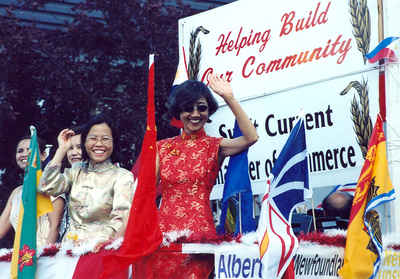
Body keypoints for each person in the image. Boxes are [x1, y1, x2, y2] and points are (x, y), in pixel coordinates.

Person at [144, 74, 258, 279]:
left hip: (201, 237)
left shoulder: (216, 146)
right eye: (188, 108)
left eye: (202, 108)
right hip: (164, 237)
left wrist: (229, 98)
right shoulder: (162, 148)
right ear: (179, 111)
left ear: (209, 111)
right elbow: (146, 194)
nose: (195, 114)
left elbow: (251, 137)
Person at [38, 114, 135, 247]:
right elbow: (46, 186)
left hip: (100, 250)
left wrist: (101, 243)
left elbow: (121, 218)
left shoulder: (122, 176)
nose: (99, 144)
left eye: (105, 139)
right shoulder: (75, 171)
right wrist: (61, 150)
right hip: (68, 250)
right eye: (93, 139)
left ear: (114, 143)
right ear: (85, 143)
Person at [0, 135, 65, 247]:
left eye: (30, 149)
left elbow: (55, 227)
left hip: (47, 257)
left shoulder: (51, 187)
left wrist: (44, 256)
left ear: (44, 155)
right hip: (21, 258)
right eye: (20, 151)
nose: (25, 154)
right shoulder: (17, 193)